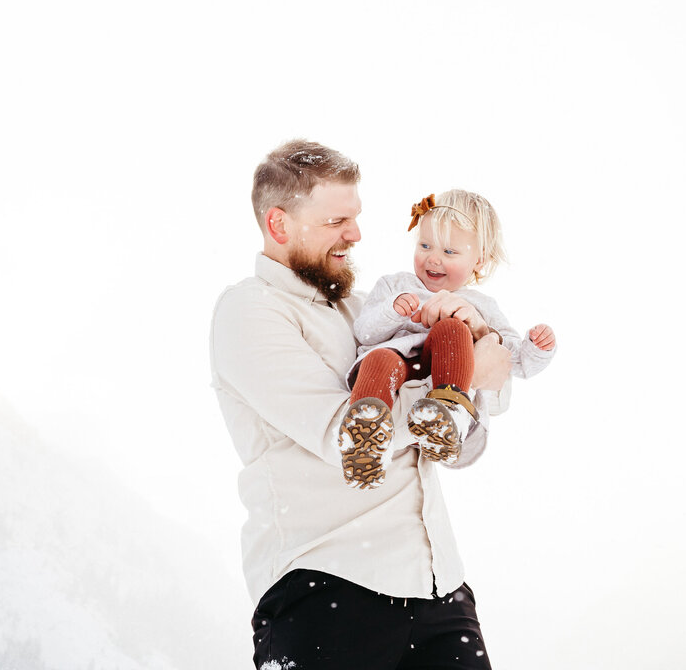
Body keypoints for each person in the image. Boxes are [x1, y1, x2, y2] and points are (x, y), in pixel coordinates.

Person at [210, 140, 512, 670]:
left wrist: (471, 374)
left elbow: (457, 452)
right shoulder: (251, 312)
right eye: (337, 221)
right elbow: (345, 437)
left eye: (356, 218)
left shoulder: (371, 310)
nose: (355, 234)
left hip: (439, 586)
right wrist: (461, 383)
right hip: (325, 585)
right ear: (279, 225)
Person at [341, 189, 556, 490]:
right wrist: (392, 311)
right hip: (398, 376)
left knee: (452, 329)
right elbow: (363, 333)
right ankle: (363, 439)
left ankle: (447, 414)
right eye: (425, 245)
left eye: (449, 252)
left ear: (479, 261)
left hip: (447, 387)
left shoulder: (480, 305)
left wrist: (537, 348)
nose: (433, 259)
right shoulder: (395, 285)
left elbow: (511, 361)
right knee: (379, 358)